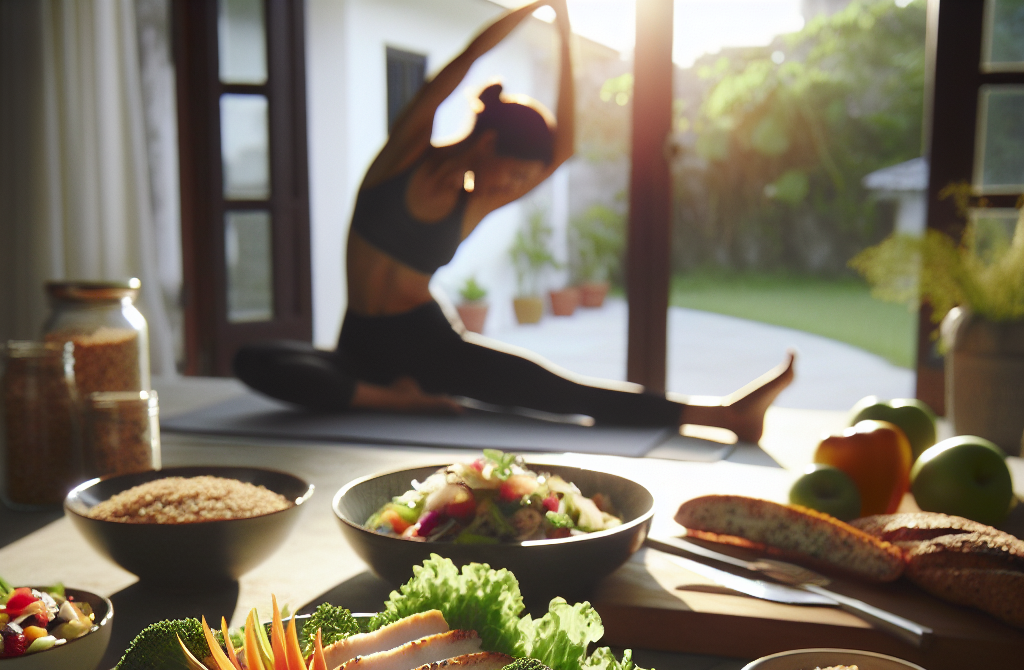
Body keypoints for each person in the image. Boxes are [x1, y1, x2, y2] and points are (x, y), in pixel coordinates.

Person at [234, 0, 794, 442]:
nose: (511, 188)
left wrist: (568, 29)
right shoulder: (399, 161)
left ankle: (722, 415)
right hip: (359, 342)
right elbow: (459, 67)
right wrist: (531, 10)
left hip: (429, 343)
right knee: (255, 359)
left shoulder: (474, 202)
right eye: (513, 173)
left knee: (556, 393)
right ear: (489, 141)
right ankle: (399, 400)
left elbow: (565, 148)